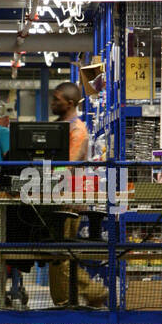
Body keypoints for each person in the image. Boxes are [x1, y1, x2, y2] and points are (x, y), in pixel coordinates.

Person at [48, 82, 106, 307]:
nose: (53, 103)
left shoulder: (77, 130)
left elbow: (68, 165)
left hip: (69, 200)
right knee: (55, 254)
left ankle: (95, 292)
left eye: (57, 99)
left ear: (69, 103)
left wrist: (46, 172)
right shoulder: (61, 125)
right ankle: (61, 302)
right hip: (55, 196)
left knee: (62, 254)